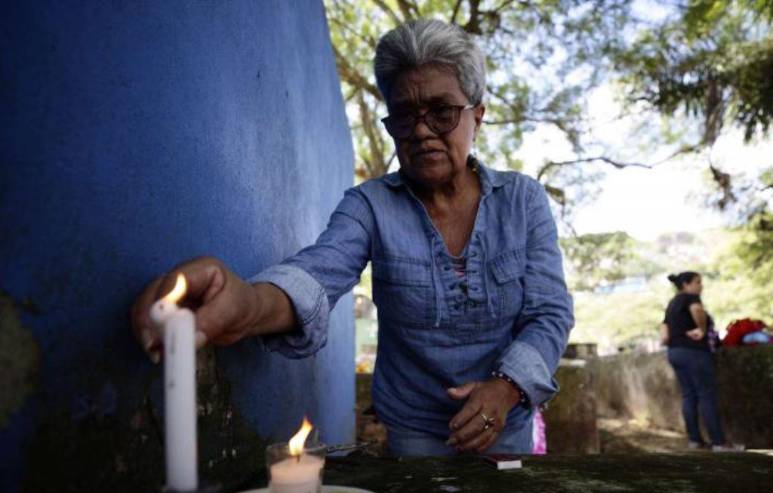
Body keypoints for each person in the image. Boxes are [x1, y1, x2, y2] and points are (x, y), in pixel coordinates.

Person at [131, 19, 574, 456]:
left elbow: (550, 313)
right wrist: (244, 303)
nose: (421, 131)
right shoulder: (370, 206)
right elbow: (317, 275)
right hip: (415, 434)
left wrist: (506, 388)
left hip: (505, 426)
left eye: (442, 112)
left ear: (476, 116)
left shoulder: (522, 201)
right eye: (404, 115)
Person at [660, 272, 742, 452]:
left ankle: (695, 441)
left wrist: (672, 339)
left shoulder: (672, 304)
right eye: (697, 282)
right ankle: (719, 442)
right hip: (694, 351)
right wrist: (702, 330)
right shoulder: (691, 297)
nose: (700, 286)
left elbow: (664, 330)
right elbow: (697, 310)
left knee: (688, 395)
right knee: (706, 395)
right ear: (686, 284)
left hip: (675, 352)